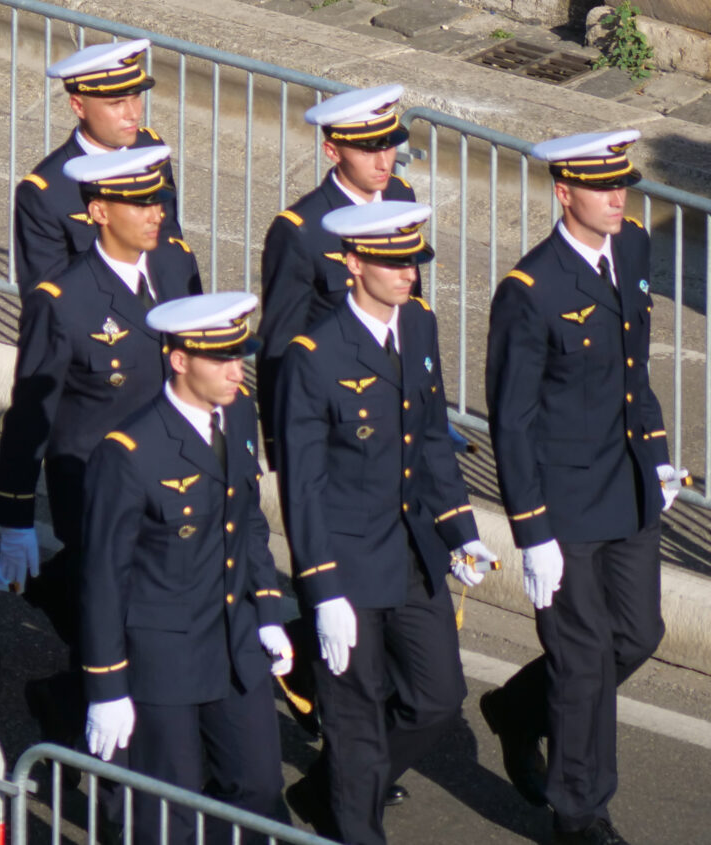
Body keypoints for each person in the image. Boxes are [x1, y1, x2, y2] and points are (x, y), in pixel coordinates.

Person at [481, 131, 681, 845]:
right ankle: (580, 811)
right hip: (563, 505)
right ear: (564, 193)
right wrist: (531, 531)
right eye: (601, 187)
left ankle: (516, 708)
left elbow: (634, 370)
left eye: (621, 184)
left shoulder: (628, 248)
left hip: (626, 487)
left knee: (639, 632)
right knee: (585, 653)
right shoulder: (530, 290)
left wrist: (656, 453)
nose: (617, 196)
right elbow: (512, 420)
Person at [275, 201, 494, 844]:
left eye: (414, 262)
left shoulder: (418, 327)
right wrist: (322, 586)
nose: (409, 275)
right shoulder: (313, 356)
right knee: (356, 715)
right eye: (394, 263)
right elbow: (304, 486)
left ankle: (330, 786)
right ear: (352, 263)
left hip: (412, 550)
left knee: (436, 697)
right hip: (345, 558)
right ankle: (354, 823)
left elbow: (429, 437)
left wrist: (462, 531)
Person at [0, 144, 201, 750]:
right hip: (94, 482)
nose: (157, 212)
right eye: (139, 202)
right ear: (100, 211)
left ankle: (68, 701)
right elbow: (33, 410)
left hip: (171, 473)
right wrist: (13, 516)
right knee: (118, 620)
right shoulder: (64, 299)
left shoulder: (175, 266)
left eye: (158, 197)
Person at [79, 291, 289, 844]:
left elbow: (246, 523)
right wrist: (106, 686)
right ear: (178, 359)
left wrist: (267, 609)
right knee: (166, 811)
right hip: (163, 656)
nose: (234, 368)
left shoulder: (240, 411)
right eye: (220, 358)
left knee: (260, 792)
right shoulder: (128, 452)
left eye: (238, 355)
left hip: (233, 642)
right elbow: (103, 578)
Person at [258, 84, 417, 469]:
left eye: (389, 145)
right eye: (367, 150)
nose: (384, 162)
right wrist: (283, 450)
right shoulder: (301, 230)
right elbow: (279, 345)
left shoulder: (401, 197)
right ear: (332, 151)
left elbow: (410, 308)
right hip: (340, 417)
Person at [12, 38, 183, 291]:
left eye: (135, 98)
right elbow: (48, 300)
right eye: (116, 104)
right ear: (78, 106)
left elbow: (171, 246)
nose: (133, 113)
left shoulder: (150, 150)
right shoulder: (46, 192)